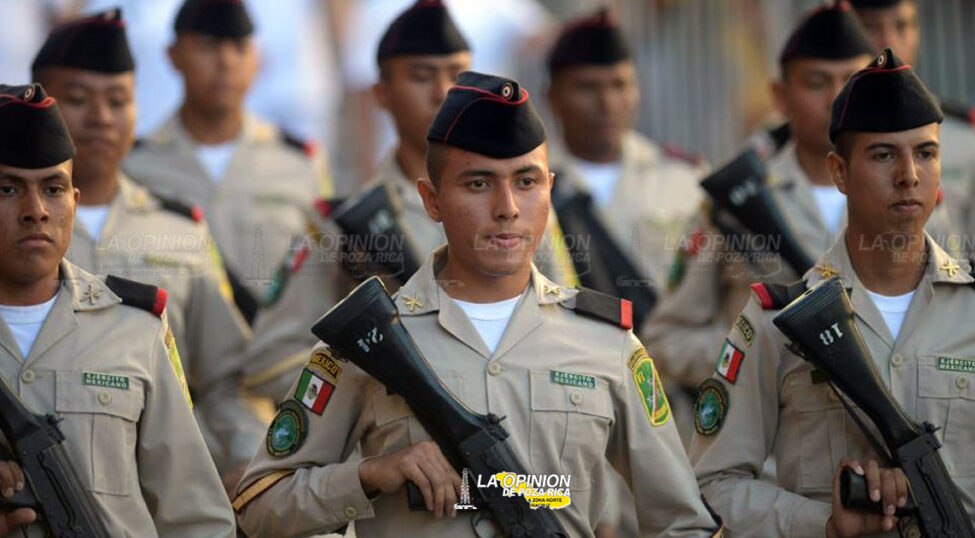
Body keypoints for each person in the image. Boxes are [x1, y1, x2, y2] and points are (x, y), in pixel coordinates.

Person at [232, 71, 720, 538]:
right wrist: (371, 474)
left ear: (549, 190)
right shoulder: (371, 341)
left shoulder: (606, 343)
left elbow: (682, 521)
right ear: (432, 199)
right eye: (479, 184)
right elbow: (258, 505)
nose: (507, 206)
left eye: (526, 182)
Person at [689, 48, 975, 537]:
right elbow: (712, 484)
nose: (909, 175)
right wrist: (823, 524)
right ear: (839, 172)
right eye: (883, 154)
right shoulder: (776, 320)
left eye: (925, 153)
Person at [240, 0, 575, 402]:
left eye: (456, 74)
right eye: (421, 76)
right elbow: (272, 361)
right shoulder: (342, 225)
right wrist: (382, 387)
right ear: (381, 93)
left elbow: (563, 323)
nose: (442, 92)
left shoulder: (518, 205)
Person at [31, 8, 263, 488]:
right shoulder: (17, 229)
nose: (100, 118)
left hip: (168, 491)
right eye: (76, 99)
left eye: (118, 101)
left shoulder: (179, 230)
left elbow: (227, 379)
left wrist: (253, 464)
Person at [0, 82, 235, 536]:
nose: (35, 211)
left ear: (74, 202)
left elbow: (196, 516)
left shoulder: (135, 327)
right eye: (8, 189)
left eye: (52, 189)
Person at [643, 2, 885, 401]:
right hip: (772, 454)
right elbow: (667, 338)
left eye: (851, 82)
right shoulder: (733, 204)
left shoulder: (909, 192)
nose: (836, 99)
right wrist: (758, 353)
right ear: (780, 95)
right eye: (816, 83)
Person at [122, 0, 331, 324]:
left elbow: (323, 274)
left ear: (257, 58)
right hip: (181, 366)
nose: (226, 61)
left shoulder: (300, 163)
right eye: (208, 46)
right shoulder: (135, 167)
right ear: (173, 55)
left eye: (239, 46)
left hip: (279, 365)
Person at [546, 9, 706, 298]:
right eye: (587, 87)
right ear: (553, 97)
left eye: (620, 85)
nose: (607, 102)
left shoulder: (685, 179)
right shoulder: (527, 182)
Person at [850, 0, 975, 267]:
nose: (888, 42)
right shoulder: (818, 138)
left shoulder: (963, 136)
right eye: (870, 27)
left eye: (902, 26)